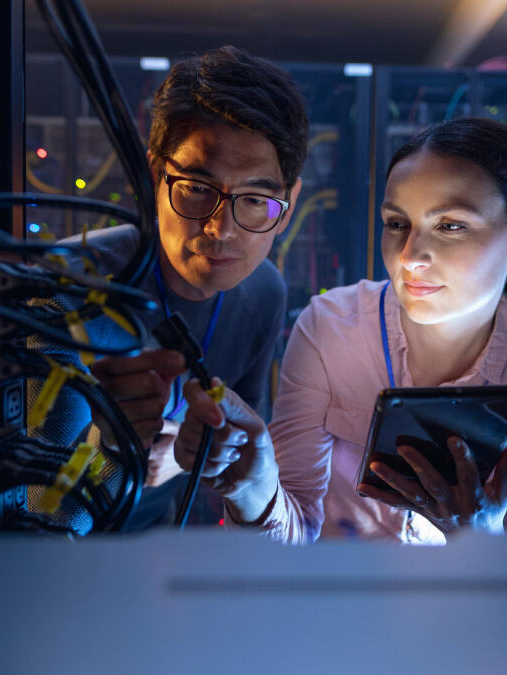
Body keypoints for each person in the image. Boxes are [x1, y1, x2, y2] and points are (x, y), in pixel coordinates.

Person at [174, 117, 507, 544]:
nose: (410, 256)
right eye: (397, 224)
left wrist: (480, 538)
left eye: (451, 226)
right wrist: (253, 487)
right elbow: (292, 535)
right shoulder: (331, 328)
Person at [29, 45, 309, 531]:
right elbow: (34, 517)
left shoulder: (264, 292)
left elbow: (234, 447)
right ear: (155, 175)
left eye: (256, 200)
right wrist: (114, 451)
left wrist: (186, 457)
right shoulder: (66, 289)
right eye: (197, 188)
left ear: (290, 201)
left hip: (159, 550)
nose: (222, 228)